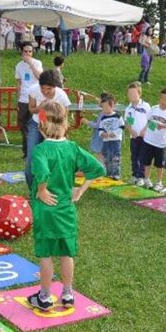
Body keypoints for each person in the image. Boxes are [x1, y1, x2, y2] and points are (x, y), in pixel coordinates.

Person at [27, 100, 105, 311]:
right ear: (65, 123)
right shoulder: (72, 148)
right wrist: (80, 190)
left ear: (42, 125)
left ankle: (44, 296)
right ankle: (68, 293)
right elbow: (97, 168)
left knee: (45, 253)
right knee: (66, 253)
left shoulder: (41, 151)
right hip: (65, 209)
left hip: (45, 210)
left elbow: (41, 173)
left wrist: (41, 190)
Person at [26, 70, 71, 187]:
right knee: (32, 157)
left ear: (55, 87)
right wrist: (40, 108)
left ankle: (54, 188)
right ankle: (33, 191)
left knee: (55, 159)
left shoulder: (61, 96)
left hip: (54, 128)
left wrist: (61, 135)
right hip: (36, 125)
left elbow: (64, 119)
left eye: (49, 89)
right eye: (43, 88)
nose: (45, 91)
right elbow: (31, 109)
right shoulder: (33, 90)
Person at [139, 88, 166, 191]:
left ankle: (159, 182)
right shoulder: (153, 108)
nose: (163, 100)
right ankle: (147, 179)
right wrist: (144, 130)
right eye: (161, 98)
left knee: (159, 164)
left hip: (160, 143)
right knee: (146, 162)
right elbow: (149, 121)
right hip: (148, 140)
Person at [15, 42, 43, 159]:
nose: (28, 53)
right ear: (22, 52)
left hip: (36, 99)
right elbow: (19, 84)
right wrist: (18, 100)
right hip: (23, 99)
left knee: (37, 125)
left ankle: (38, 151)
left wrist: (31, 64)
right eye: (26, 51)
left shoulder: (37, 63)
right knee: (23, 125)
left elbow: (40, 77)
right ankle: (26, 151)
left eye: (30, 51)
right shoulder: (18, 66)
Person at [124, 81, 151, 185]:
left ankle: (141, 177)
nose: (131, 96)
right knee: (134, 157)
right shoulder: (129, 108)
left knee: (142, 157)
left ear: (139, 94)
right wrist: (131, 130)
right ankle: (135, 175)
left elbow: (150, 120)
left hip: (144, 137)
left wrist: (145, 130)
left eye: (133, 94)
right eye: (129, 94)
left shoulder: (146, 106)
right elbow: (128, 122)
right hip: (134, 137)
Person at [98, 93, 125, 180]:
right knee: (107, 156)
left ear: (112, 105)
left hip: (115, 141)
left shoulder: (117, 117)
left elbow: (121, 127)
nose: (104, 109)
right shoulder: (103, 118)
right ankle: (109, 173)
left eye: (106, 107)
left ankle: (116, 173)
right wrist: (102, 134)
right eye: (103, 107)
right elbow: (100, 129)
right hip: (106, 141)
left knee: (115, 157)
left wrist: (114, 133)